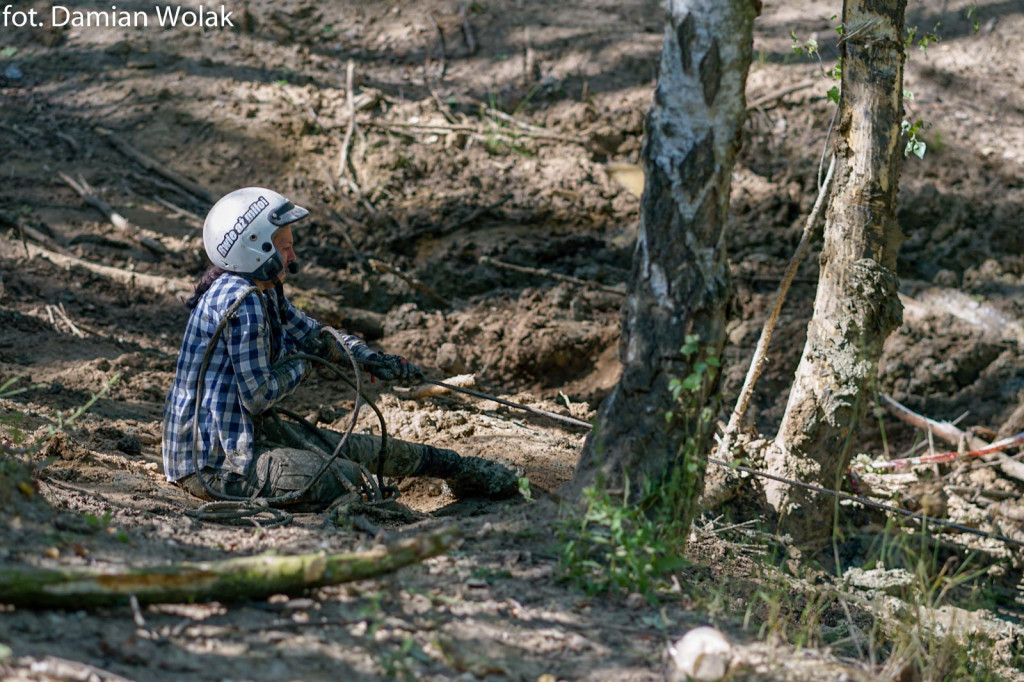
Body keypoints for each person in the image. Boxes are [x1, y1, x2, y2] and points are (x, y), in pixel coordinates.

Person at [162, 187, 518, 511]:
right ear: (257, 247)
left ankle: (457, 468)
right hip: (214, 466)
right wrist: (308, 363)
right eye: (285, 247)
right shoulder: (245, 303)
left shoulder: (260, 288)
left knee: (359, 450)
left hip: (241, 439)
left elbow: (313, 332)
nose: (292, 255)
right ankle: (455, 474)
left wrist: (369, 359)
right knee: (350, 479)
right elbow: (259, 394)